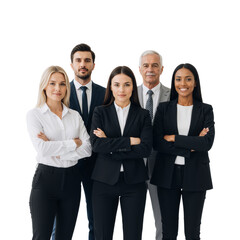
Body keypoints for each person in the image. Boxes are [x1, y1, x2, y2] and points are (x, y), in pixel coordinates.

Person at [26, 66, 92, 240]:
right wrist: (73, 143)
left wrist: (56, 149)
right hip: (46, 180)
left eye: (62, 84)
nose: (58, 88)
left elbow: (87, 148)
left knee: (65, 237)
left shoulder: (75, 116)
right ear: (44, 86)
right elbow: (42, 148)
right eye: (52, 83)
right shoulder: (35, 115)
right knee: (41, 236)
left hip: (72, 181)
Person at [151, 63, 215, 240]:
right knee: (168, 232)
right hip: (167, 174)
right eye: (178, 79)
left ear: (195, 83)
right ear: (173, 82)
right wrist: (192, 145)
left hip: (196, 174)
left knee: (192, 233)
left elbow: (207, 143)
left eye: (188, 79)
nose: (183, 83)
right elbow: (158, 143)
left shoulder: (206, 110)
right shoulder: (164, 109)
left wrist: (174, 138)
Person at [90, 66, 153, 240]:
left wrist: (109, 144)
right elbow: (96, 145)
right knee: (102, 235)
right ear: (110, 87)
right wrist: (131, 141)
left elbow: (146, 149)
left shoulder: (143, 115)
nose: (121, 89)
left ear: (133, 87)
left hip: (134, 183)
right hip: (104, 181)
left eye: (126, 84)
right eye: (117, 84)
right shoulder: (100, 112)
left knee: (133, 236)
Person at [51, 44, 105, 240]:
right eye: (79, 60)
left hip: (98, 165)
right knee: (61, 221)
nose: (83, 64)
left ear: (93, 65)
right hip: (67, 165)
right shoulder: (61, 93)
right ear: (72, 65)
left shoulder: (105, 93)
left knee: (97, 220)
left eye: (87, 60)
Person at [137, 50, 170, 240]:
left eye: (155, 65)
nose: (150, 69)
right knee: (132, 219)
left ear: (162, 69)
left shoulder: (172, 94)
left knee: (163, 220)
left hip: (162, 164)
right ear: (140, 69)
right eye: (146, 65)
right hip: (133, 164)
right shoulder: (129, 93)